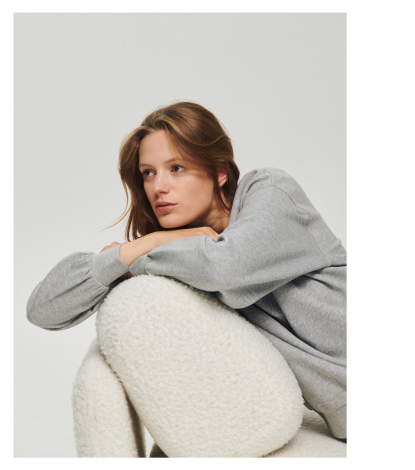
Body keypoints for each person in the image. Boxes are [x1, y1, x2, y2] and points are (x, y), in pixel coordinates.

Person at [27, 101, 347, 444]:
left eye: (176, 168)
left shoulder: (269, 191)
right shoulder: (172, 257)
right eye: (148, 173)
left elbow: (226, 266)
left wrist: (139, 254)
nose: (158, 187)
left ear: (220, 172)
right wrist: (139, 247)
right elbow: (42, 310)